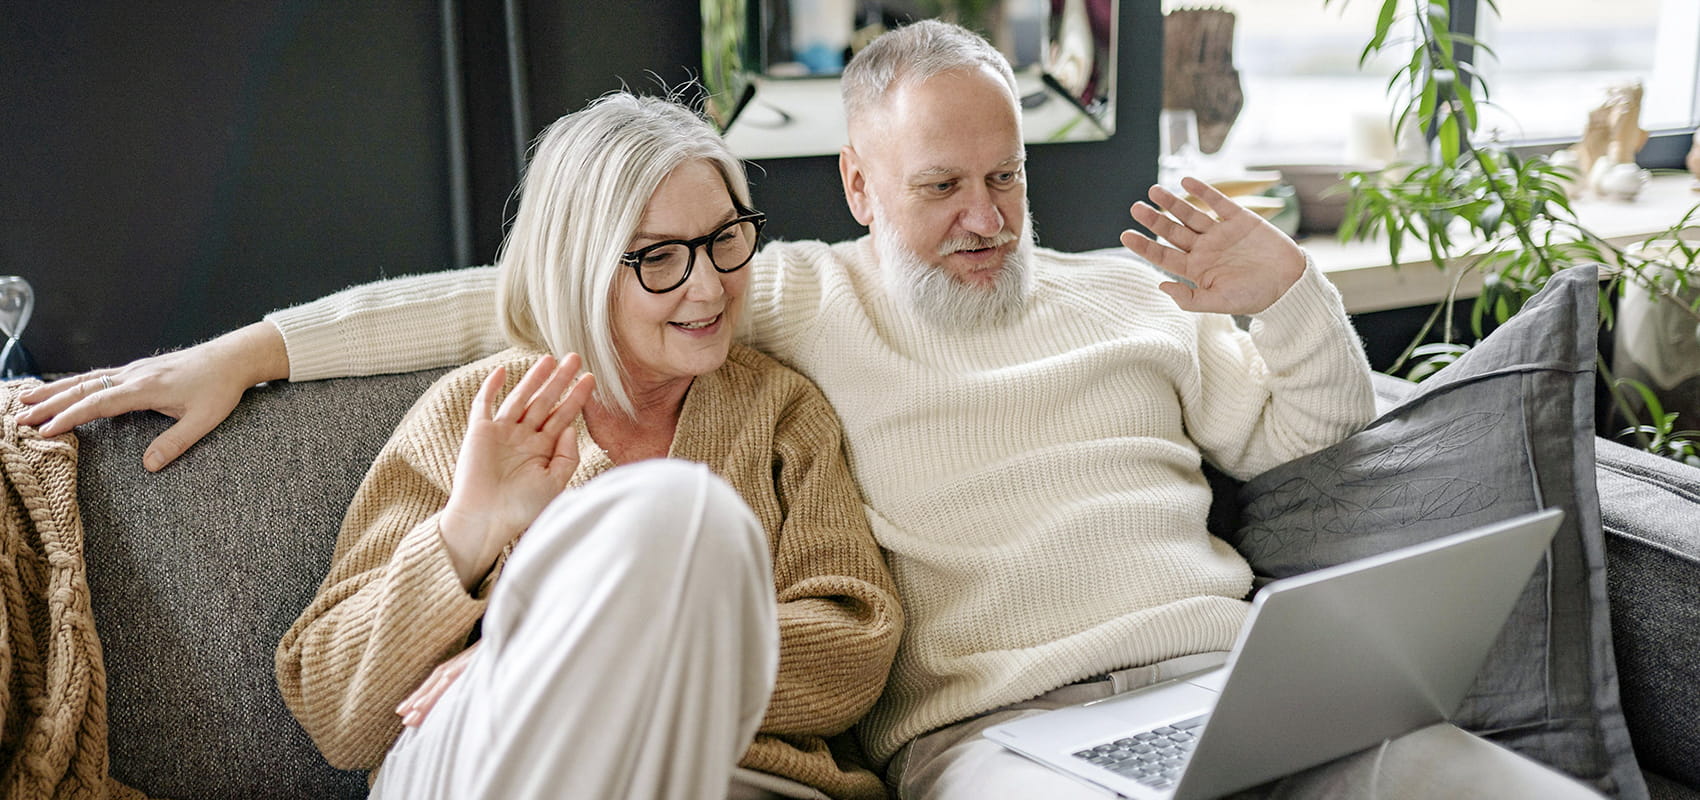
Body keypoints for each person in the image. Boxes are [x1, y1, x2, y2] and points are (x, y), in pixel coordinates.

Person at [20, 20, 1603, 800]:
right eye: (941, 185)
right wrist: (460, 543)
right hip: (918, 748)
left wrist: (1285, 294)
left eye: (1007, 178)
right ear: (860, 188)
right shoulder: (530, 395)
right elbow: (336, 694)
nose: (707, 286)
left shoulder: (774, 392)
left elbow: (849, 641)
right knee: (670, 525)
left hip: (1171, 687)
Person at [273, 93, 900, 800]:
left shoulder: (782, 413)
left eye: (726, 239)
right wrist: (468, 530)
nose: (709, 284)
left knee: (686, 512)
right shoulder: (471, 415)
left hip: (730, 778)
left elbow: (855, 647)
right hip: (493, 760)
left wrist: (553, 658)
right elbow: (335, 711)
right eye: (660, 257)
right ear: (582, 269)